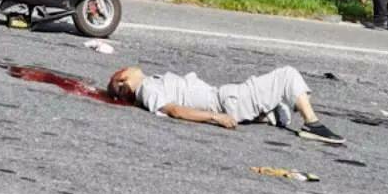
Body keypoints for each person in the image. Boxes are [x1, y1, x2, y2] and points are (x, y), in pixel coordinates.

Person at [106, 62, 342, 140]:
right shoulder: (146, 90)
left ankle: (268, 114)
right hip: (225, 101)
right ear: (124, 80)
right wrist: (215, 117)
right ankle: (312, 124)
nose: (129, 66)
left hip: (226, 96)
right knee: (287, 75)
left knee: (283, 95)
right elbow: (175, 110)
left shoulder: (150, 83)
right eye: (123, 69)